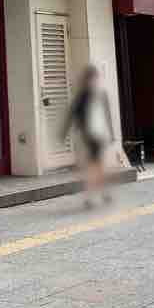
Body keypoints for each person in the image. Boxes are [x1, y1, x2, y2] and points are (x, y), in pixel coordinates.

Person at [62, 66, 115, 207]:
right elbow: (73, 114)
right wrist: (64, 133)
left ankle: (100, 193)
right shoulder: (83, 96)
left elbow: (107, 115)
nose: (94, 81)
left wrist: (111, 133)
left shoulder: (101, 95)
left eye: (95, 78)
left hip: (100, 134)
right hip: (89, 135)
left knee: (98, 165)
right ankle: (94, 195)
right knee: (94, 166)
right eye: (92, 78)